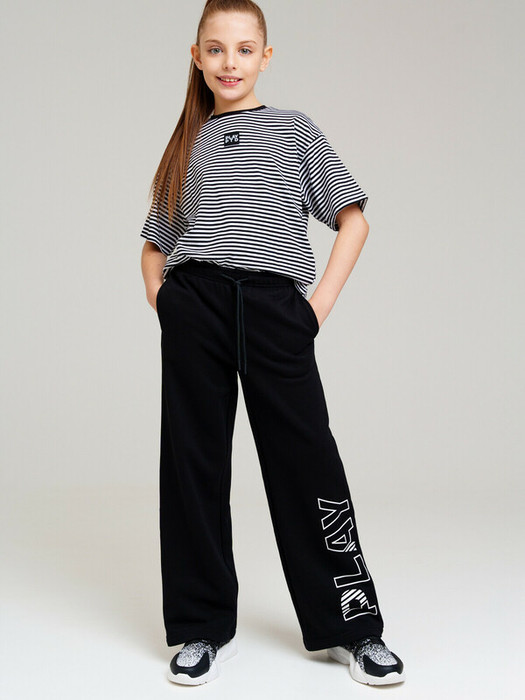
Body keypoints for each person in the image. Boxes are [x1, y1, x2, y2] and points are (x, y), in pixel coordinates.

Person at [139, 0, 405, 688]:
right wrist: (169, 304)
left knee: (307, 462)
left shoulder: (294, 129)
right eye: (216, 49)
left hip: (273, 308)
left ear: (265, 56)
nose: (230, 62)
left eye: (243, 49)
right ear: (197, 57)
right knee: (192, 466)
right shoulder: (186, 142)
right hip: (196, 306)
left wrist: (314, 309)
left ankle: (353, 626)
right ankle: (200, 626)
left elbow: (352, 220)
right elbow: (156, 244)